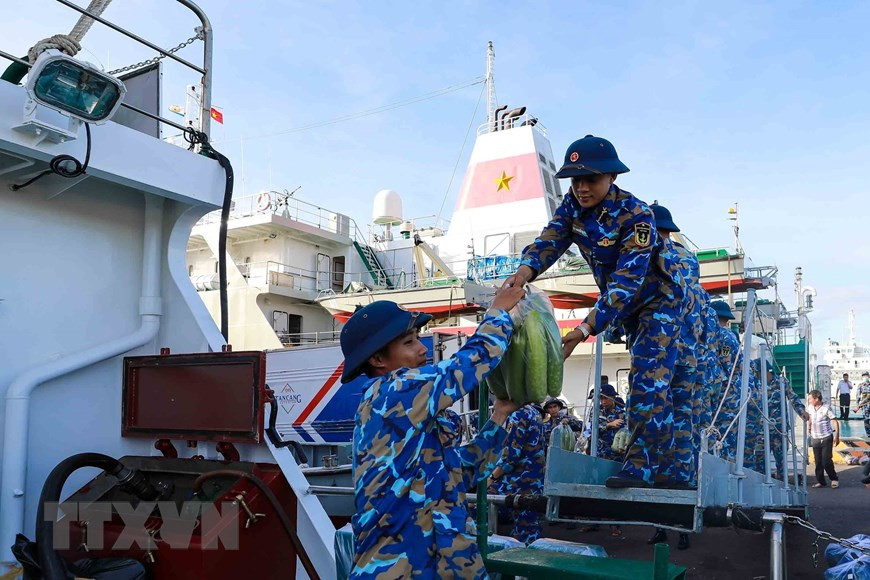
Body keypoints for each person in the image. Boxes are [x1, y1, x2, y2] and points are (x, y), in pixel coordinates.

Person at [504, 135, 686, 489]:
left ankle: (645, 469)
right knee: (648, 382)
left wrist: (581, 331)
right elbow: (549, 242)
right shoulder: (572, 206)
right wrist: (521, 277)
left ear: (612, 178)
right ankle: (663, 467)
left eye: (591, 180)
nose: (582, 188)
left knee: (649, 379)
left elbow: (625, 285)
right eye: (576, 180)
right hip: (625, 309)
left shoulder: (637, 216)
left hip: (657, 303)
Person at [343, 284, 525, 578]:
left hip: (443, 564)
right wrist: (498, 312)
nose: (422, 349)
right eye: (408, 343)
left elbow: (459, 474)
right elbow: (465, 367)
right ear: (378, 360)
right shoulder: (392, 392)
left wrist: (500, 416)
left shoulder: (418, 413)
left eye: (418, 339)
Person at [650, 203, 703, 488]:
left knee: (655, 411)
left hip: (661, 347)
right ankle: (684, 478)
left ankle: (659, 475)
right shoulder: (690, 259)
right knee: (684, 416)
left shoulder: (649, 251)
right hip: (689, 352)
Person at [488, 404, 545, 545]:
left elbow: (510, 458)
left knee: (476, 505)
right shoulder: (535, 412)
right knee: (529, 531)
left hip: (517, 481)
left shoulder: (517, 415)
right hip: (535, 479)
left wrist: (492, 478)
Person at [710, 300, 743, 463]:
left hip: (727, 395)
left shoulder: (723, 335)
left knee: (724, 436)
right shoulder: (726, 334)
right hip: (730, 393)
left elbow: (727, 364)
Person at [765, 367, 809, 479]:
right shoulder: (755, 382)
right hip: (761, 429)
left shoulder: (782, 382)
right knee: (760, 459)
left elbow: (793, 398)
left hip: (780, 428)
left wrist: (801, 412)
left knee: (781, 458)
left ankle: (781, 482)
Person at [807, 389, 840, 489]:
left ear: (816, 399)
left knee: (826, 460)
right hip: (815, 437)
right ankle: (821, 481)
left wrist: (837, 436)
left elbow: (834, 421)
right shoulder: (810, 407)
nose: (809, 401)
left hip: (826, 437)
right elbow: (810, 418)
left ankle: (834, 478)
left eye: (810, 399)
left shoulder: (826, 408)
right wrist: (809, 426)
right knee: (818, 462)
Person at [853, 372, 870, 438]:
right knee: (866, 420)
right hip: (864, 406)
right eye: (864, 376)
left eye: (866, 375)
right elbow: (858, 396)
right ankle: (868, 434)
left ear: (869, 376)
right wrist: (857, 405)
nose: (865, 377)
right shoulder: (860, 385)